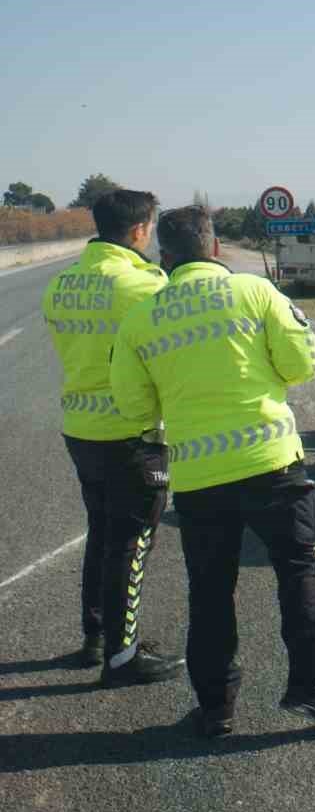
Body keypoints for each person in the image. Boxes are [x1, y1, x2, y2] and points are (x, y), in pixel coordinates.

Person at [111, 204, 315, 738]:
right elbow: (299, 364)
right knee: (299, 574)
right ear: (216, 247)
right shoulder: (255, 293)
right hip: (274, 466)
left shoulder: (140, 320)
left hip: (201, 482)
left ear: (166, 256)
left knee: (209, 592)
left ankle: (216, 708)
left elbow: (134, 410)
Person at [41, 189, 184, 684]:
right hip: (132, 430)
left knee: (103, 533)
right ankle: (122, 658)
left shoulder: (61, 283)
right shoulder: (144, 286)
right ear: (141, 230)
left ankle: (96, 637)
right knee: (132, 540)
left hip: (79, 427)